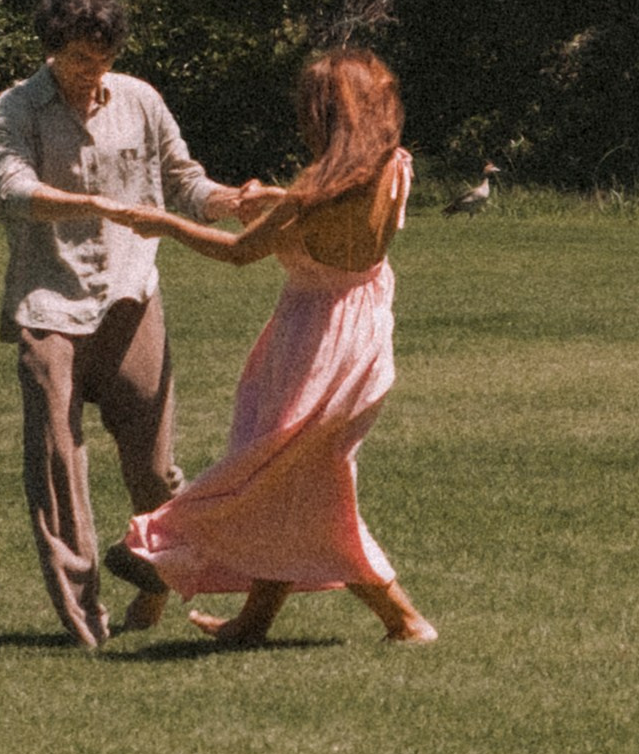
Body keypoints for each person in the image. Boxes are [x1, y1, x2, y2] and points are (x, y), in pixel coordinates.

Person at [77, 48, 437, 648]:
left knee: (268, 470)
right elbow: (329, 220)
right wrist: (274, 199)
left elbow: (239, 251)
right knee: (294, 478)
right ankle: (254, 622)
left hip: (312, 346)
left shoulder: (311, 198)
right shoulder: (392, 169)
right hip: (363, 337)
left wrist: (163, 223)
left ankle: (165, 545)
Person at [0, 0, 258, 650]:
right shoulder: (13, 111)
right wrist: (96, 204)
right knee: (58, 465)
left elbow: (184, 181)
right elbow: (13, 190)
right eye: (80, 59)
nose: (93, 72)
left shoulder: (140, 99)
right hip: (48, 303)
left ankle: (157, 573)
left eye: (103, 59)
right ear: (52, 48)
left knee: (155, 469)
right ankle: (85, 624)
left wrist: (232, 200)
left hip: (132, 295)